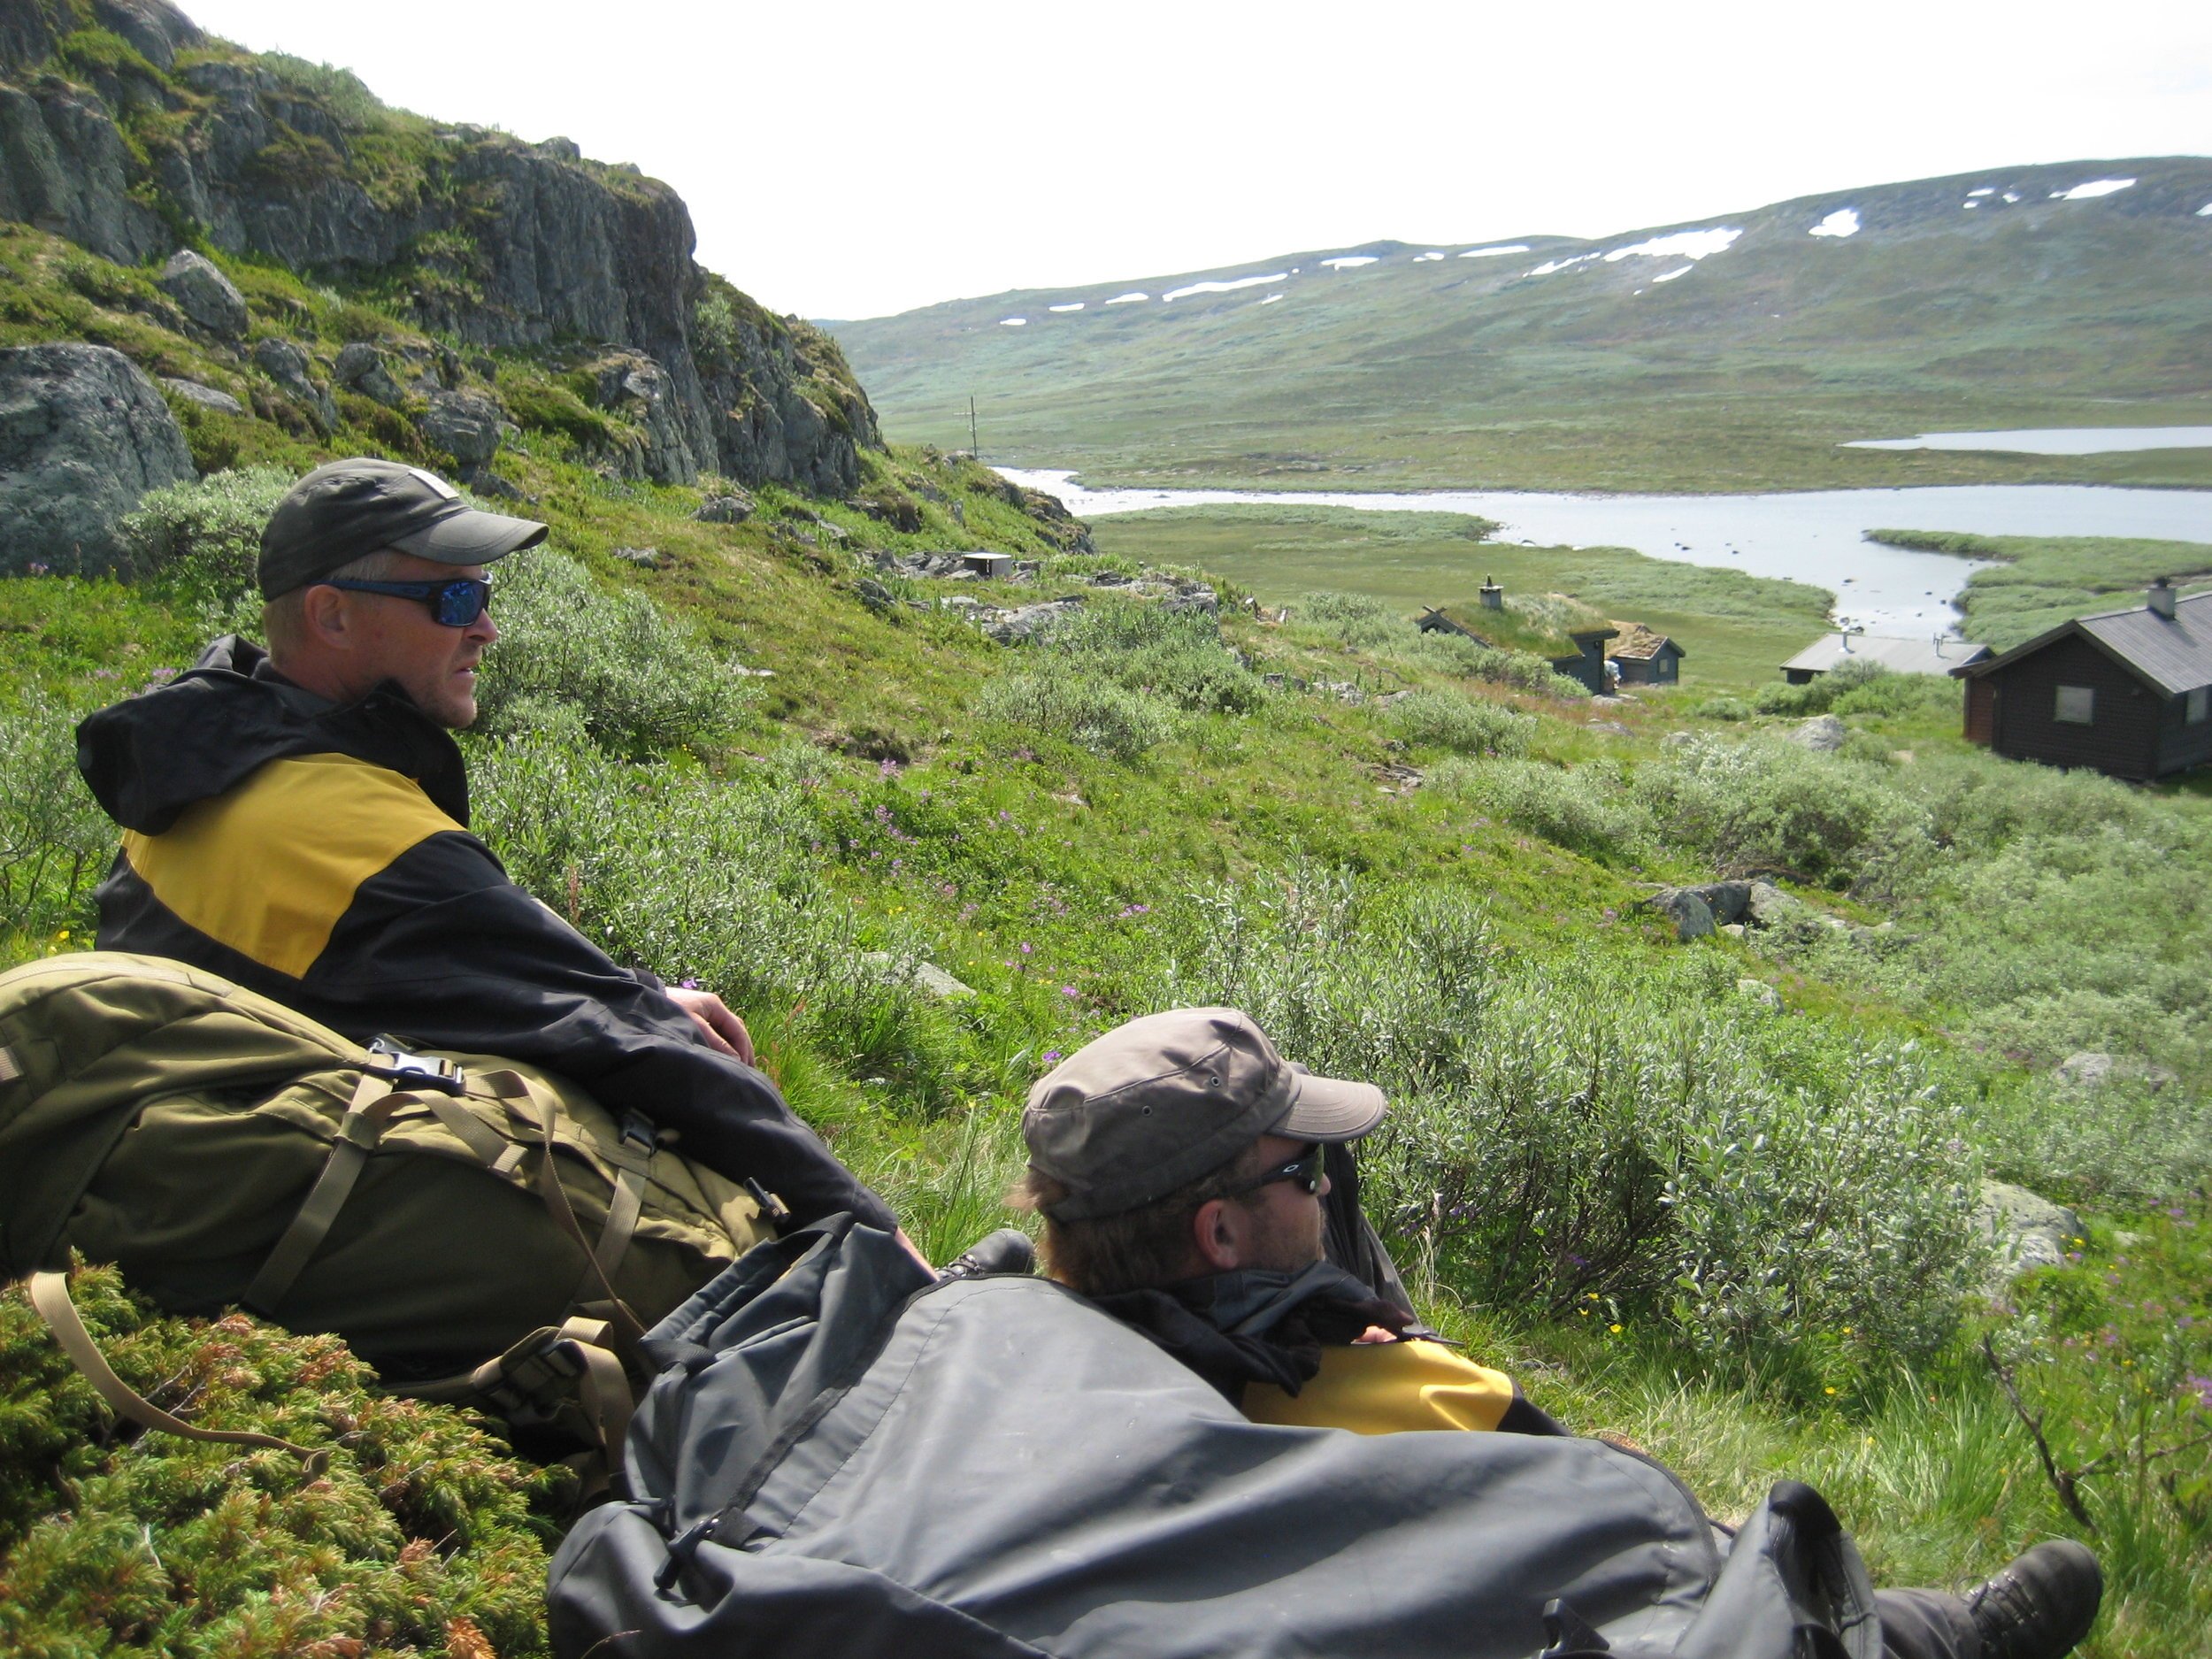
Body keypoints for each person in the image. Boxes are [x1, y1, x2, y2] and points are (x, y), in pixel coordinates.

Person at [1015, 1006, 2103, 1659]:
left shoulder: (1012, 1369)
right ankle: (1955, 1633)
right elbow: (1625, 1554)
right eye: (1306, 1171)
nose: (1325, 1190)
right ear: (1219, 1231)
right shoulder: (1407, 1410)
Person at [76, 456, 902, 1242]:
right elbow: (653, 1059)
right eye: (450, 598)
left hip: (166, 1163)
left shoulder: (210, 753)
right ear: (333, 614)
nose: (486, 627)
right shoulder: (365, 841)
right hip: (265, 1223)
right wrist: (883, 1242)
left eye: (483, 591)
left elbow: (415, 972)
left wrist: (633, 993)